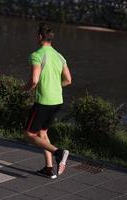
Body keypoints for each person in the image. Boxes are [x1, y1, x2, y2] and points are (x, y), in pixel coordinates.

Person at [22, 22, 72, 179]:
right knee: (43, 132)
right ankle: (49, 168)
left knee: (29, 134)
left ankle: (59, 152)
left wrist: (23, 89)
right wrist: (55, 87)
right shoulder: (60, 56)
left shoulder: (37, 55)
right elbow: (68, 80)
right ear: (51, 38)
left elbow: (34, 81)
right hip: (58, 100)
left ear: (39, 37)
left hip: (43, 101)